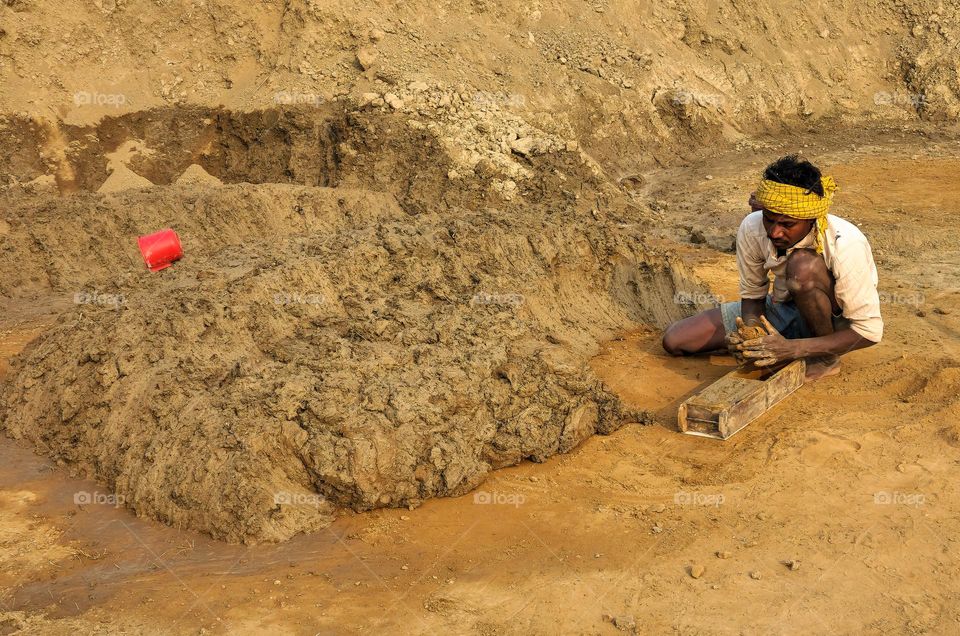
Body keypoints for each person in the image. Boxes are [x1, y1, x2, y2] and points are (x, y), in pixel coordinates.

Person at [661, 155, 883, 381]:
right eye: (769, 219)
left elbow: (869, 332)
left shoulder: (845, 242)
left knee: (802, 267)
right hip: (784, 306)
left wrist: (793, 349)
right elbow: (753, 298)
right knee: (675, 340)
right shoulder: (752, 227)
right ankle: (789, 341)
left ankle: (824, 359)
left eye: (788, 225)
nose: (774, 232)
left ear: (811, 219)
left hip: (834, 323)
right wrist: (752, 337)